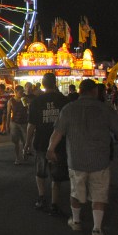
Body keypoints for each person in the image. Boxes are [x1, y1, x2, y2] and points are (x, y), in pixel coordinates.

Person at [47, 79, 118, 235]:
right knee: (99, 194)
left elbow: (57, 132)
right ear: (95, 92)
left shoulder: (68, 109)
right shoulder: (104, 109)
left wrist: (51, 149)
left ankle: (76, 221)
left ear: (80, 91)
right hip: (100, 160)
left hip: (76, 159)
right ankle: (97, 229)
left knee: (76, 192)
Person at [24, 73, 69, 216]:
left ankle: (42, 197)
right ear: (55, 83)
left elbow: (31, 125)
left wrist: (27, 143)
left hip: (41, 142)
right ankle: (55, 203)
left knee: (40, 172)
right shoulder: (64, 100)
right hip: (59, 143)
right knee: (56, 175)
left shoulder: (37, 102)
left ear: (43, 84)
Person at [6, 85, 28, 165]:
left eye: (23, 92)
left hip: (24, 122)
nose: (22, 93)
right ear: (16, 92)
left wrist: (27, 104)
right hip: (14, 122)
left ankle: (24, 152)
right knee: (16, 141)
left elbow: (29, 110)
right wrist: (7, 125)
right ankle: (17, 157)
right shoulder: (11, 101)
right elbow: (8, 113)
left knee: (25, 140)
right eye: (21, 92)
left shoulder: (25, 99)